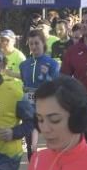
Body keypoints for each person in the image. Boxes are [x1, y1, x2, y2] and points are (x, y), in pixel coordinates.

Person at [19, 29, 61, 159]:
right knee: (30, 139)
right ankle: (33, 158)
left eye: (37, 43)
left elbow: (56, 85)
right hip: (29, 106)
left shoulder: (52, 64)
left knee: (50, 136)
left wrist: (47, 77)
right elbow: (24, 83)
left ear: (43, 43)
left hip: (46, 105)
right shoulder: (24, 65)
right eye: (31, 44)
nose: (34, 46)